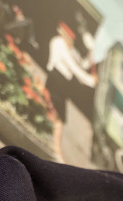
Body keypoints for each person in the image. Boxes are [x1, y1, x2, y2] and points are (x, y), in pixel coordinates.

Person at [45, 20, 98, 162]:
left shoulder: (71, 49)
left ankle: (55, 148)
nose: (71, 42)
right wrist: (89, 80)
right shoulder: (58, 43)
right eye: (70, 38)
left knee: (60, 118)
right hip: (55, 80)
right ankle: (55, 149)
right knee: (55, 114)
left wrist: (91, 54)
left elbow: (81, 64)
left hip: (62, 85)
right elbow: (73, 66)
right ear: (64, 34)